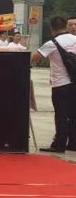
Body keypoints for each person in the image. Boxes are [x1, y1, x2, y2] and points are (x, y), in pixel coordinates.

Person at [32, 16, 76, 153]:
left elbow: (35, 58)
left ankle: (59, 144)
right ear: (66, 26)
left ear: (52, 29)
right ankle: (73, 143)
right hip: (74, 83)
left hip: (60, 84)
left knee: (61, 115)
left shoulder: (52, 43)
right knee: (73, 114)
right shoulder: (75, 39)